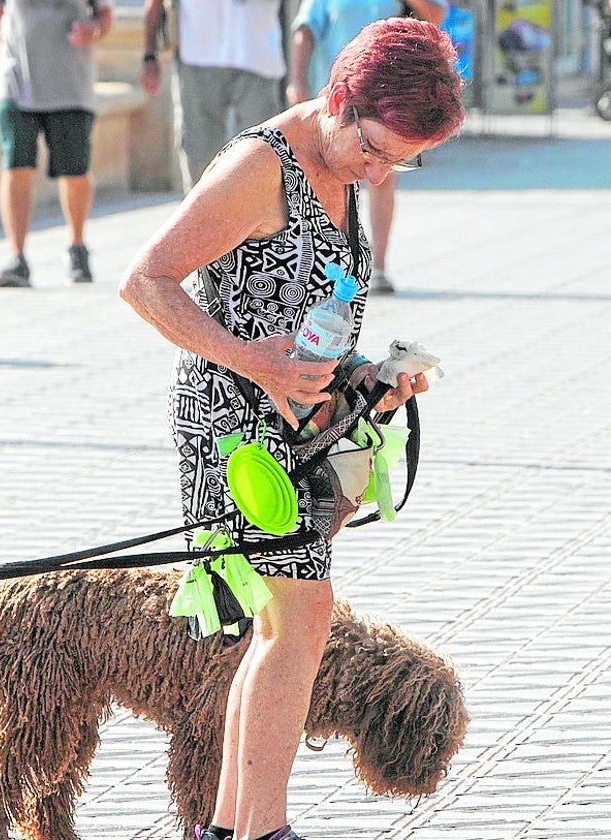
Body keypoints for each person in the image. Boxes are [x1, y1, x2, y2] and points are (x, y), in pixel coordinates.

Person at [119, 19, 463, 840]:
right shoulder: (258, 167)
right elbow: (145, 282)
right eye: (377, 151)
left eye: (401, 162)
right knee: (300, 621)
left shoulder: (344, 166)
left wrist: (368, 381)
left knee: (284, 629)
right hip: (233, 433)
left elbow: (307, 321)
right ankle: (260, 833)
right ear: (340, 100)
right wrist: (257, 363)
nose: (382, 173)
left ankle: (231, 831)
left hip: (296, 428)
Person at [286, 0, 446, 294]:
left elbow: (434, 20)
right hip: (338, 103)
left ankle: (378, 267)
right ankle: (320, 265)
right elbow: (305, 30)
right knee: (325, 178)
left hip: (388, 105)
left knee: (382, 175)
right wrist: (297, 80)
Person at [0, 0, 113, 288]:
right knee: (15, 165)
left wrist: (94, 31)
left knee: (75, 173)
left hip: (70, 87)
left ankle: (77, 246)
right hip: (15, 84)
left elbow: (105, 16)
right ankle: (17, 256)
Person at [140, 0, 286, 192]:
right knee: (199, 154)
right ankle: (201, 217)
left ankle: (255, 219)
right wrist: (149, 55)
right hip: (199, 54)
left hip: (256, 53)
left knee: (259, 153)